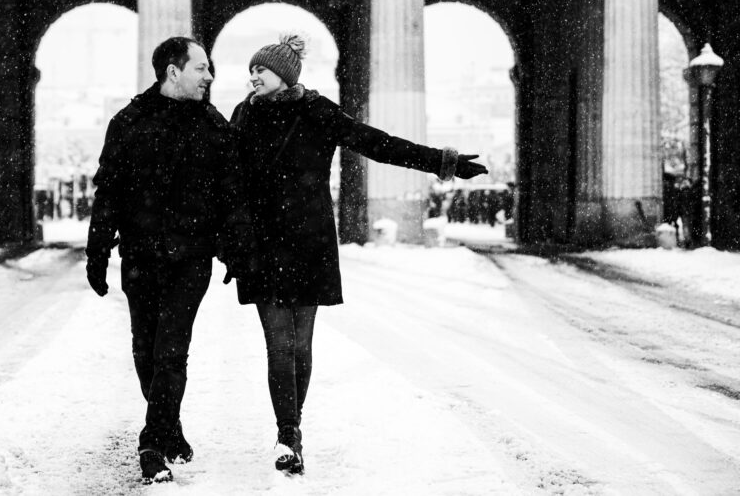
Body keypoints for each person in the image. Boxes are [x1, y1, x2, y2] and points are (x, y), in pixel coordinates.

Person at [228, 34, 488, 475]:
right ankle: (287, 433)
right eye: (251, 69)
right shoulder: (243, 114)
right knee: (279, 343)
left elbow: (377, 143)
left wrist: (442, 161)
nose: (253, 76)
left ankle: (292, 427)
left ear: (285, 74)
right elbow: (224, 173)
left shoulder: (318, 111)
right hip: (263, 244)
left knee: (301, 345)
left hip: (308, 242)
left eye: (261, 69)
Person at [85, 36, 250, 484]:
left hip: (190, 259)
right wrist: (97, 251)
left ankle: (152, 443)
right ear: (173, 72)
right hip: (140, 257)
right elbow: (108, 192)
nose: (209, 76)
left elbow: (232, 194)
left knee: (171, 352)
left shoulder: (214, 126)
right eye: (201, 68)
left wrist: (236, 247)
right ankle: (170, 428)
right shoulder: (128, 122)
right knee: (145, 351)